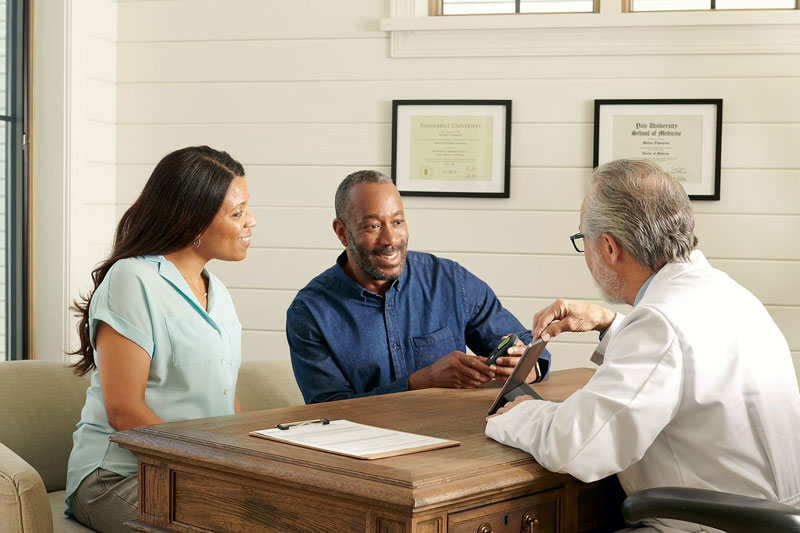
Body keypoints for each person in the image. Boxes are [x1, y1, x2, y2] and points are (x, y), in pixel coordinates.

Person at [485, 159, 800, 532]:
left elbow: (582, 446)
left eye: (581, 239)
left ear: (609, 247)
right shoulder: (728, 294)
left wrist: (518, 414)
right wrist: (611, 324)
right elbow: (689, 364)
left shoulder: (660, 324)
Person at [65, 146, 257, 532]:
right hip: (116, 477)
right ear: (194, 222)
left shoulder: (217, 292)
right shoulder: (131, 279)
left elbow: (223, 397)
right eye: (237, 213)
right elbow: (124, 412)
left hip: (193, 473)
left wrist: (251, 463)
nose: (251, 221)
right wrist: (207, 469)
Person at [286, 170, 551, 404]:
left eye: (398, 222)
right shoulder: (310, 312)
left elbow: (529, 347)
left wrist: (526, 366)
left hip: (459, 439)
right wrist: (422, 381)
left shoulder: (449, 280)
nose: (390, 239)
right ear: (342, 232)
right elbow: (329, 411)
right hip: (364, 452)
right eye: (373, 226)